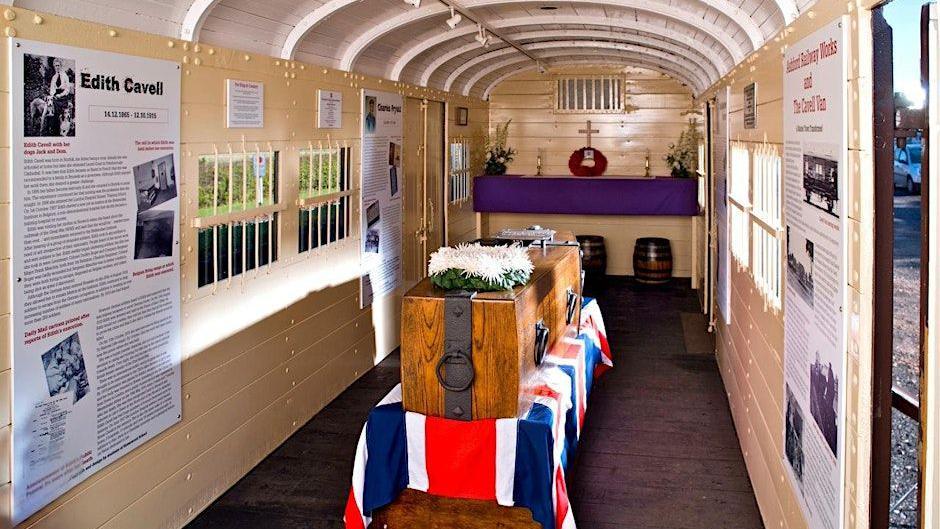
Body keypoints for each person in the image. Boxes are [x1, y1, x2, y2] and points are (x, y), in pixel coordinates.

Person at [48, 58, 73, 136]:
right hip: (56, 96)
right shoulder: (54, 77)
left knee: (59, 109)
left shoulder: (65, 76)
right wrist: (52, 95)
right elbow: (52, 89)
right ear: (54, 67)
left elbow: (67, 89)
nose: (57, 67)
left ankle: (62, 128)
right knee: (52, 106)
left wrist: (60, 95)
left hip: (63, 97)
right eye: (55, 66)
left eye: (58, 65)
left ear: (61, 66)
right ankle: (54, 129)